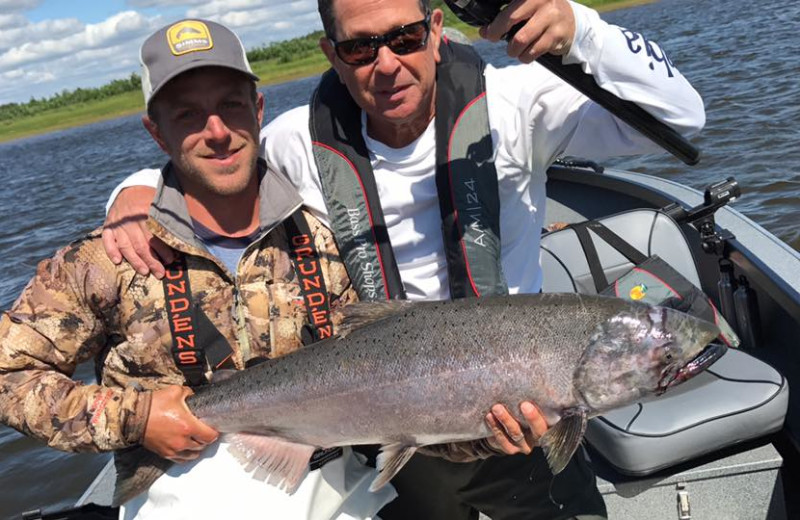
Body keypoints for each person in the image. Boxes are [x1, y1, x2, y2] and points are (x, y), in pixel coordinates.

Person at [103, 0, 706, 519]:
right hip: (385, 424)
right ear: (332, 54)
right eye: (360, 47)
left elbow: (682, 119)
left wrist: (582, 30)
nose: (386, 63)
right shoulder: (294, 141)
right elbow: (213, 165)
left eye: (404, 38)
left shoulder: (516, 102)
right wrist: (135, 191)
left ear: (437, 30)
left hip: (528, 405)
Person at [0, 18, 546, 520]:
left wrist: (484, 428)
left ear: (258, 110)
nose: (217, 130)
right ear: (156, 133)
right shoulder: (107, 257)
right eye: (188, 114)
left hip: (330, 490)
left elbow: (395, 395)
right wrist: (133, 419)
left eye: (231, 106)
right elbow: (7, 375)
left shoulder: (328, 239)